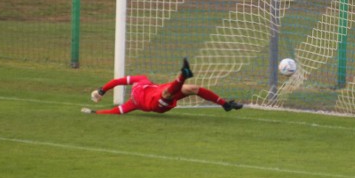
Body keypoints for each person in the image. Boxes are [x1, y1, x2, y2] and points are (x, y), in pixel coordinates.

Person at [81, 58, 243, 115]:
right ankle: (182, 74)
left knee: (192, 88)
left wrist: (102, 90)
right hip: (157, 104)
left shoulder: (141, 80)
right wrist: (96, 112)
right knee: (167, 92)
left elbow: (118, 81)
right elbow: (116, 111)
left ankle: (226, 105)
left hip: (161, 90)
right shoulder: (134, 103)